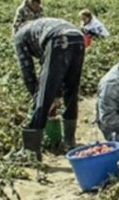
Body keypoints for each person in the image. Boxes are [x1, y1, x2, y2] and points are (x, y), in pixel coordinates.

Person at [13, 17, 85, 158]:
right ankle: (69, 142)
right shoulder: (37, 29)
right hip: (78, 37)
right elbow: (55, 68)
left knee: (43, 93)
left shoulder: (19, 37)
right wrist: (56, 94)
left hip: (58, 38)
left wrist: (37, 97)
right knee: (71, 89)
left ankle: (31, 150)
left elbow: (27, 71)